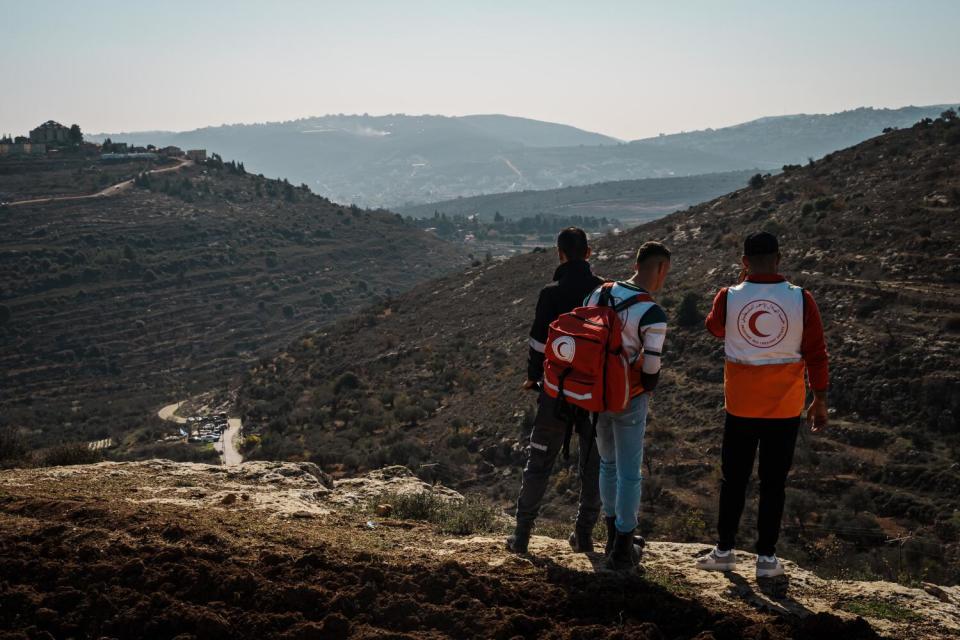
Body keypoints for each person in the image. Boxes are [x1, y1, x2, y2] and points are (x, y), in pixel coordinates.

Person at [696, 231, 829, 578]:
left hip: (740, 407)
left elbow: (714, 328)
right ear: (779, 258)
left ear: (744, 262)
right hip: (785, 409)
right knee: (773, 483)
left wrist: (740, 290)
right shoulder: (802, 299)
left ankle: (724, 550)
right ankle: (767, 559)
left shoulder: (729, 296)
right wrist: (820, 398)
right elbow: (816, 352)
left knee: (734, 480)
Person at [507, 227, 605, 554]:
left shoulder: (551, 292)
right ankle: (584, 535)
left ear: (559, 253)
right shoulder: (605, 292)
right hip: (593, 392)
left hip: (556, 389)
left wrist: (534, 377)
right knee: (594, 463)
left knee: (539, 462)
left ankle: (521, 536)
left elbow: (538, 342)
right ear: (588, 253)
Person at [584, 241, 671, 571]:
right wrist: (646, 387)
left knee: (606, 463)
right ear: (661, 268)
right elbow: (651, 371)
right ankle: (623, 547)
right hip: (629, 396)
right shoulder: (653, 313)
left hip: (594, 393)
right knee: (629, 473)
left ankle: (610, 536)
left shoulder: (598, 293)